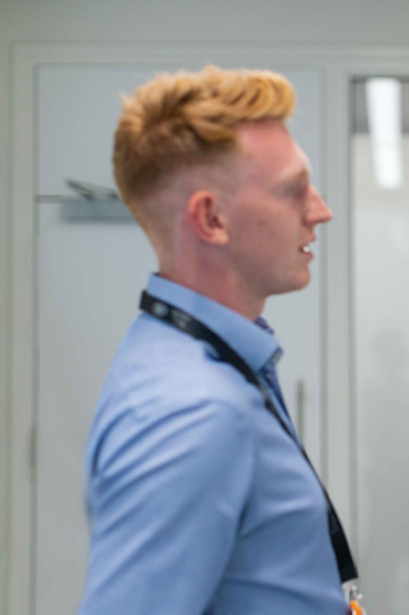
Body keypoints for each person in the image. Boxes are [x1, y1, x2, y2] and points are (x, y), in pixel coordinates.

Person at [79, 66, 354, 614]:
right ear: (210, 218)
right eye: (294, 189)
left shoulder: (205, 361)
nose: (320, 210)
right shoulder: (191, 411)